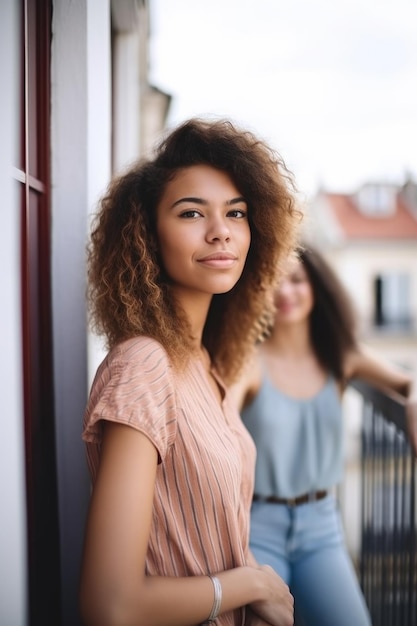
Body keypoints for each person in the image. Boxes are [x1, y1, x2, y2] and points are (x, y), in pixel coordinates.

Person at [79, 117, 302, 626]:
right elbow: (108, 606)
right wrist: (251, 582)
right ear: (146, 235)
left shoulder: (206, 363)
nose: (220, 230)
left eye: (237, 213)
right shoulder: (143, 365)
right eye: (191, 212)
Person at [231, 244, 417, 626]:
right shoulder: (247, 363)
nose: (286, 292)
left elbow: (408, 382)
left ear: (316, 286)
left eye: (297, 280)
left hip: (322, 526)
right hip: (256, 525)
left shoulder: (341, 355)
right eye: (273, 282)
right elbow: (213, 429)